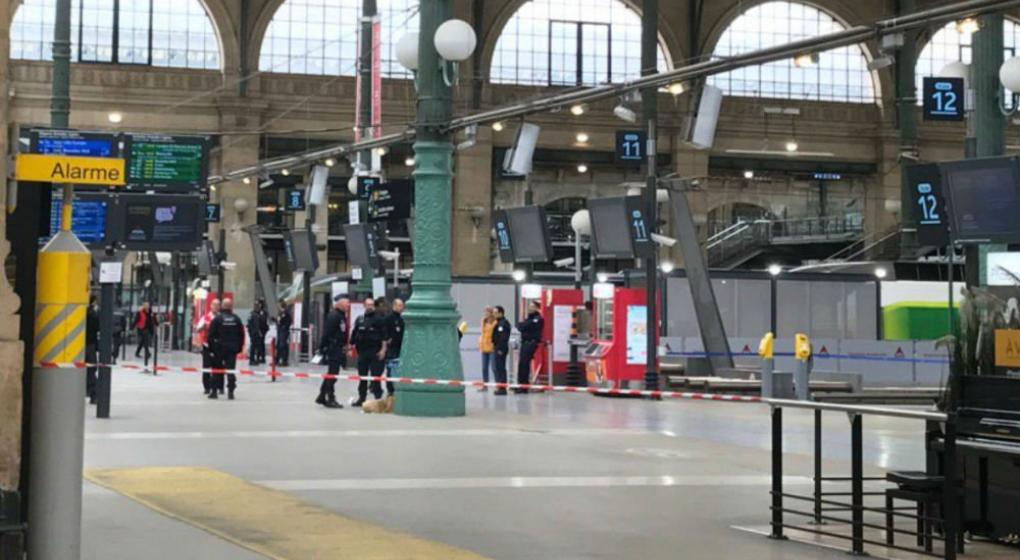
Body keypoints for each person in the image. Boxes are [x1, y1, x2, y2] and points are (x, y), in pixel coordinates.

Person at [350, 297, 388, 407]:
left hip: (375, 352)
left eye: (372, 304)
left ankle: (378, 399)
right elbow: (354, 334)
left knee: (376, 377)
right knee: (362, 377)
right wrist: (349, 346)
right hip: (362, 352)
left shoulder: (380, 319)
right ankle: (361, 398)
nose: (370, 306)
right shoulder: (360, 319)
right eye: (368, 304)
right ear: (364, 305)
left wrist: (383, 350)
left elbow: (384, 337)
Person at [207, 298, 245, 400]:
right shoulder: (236, 319)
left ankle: (214, 391)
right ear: (231, 307)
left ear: (222, 306)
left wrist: (211, 349)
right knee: (231, 370)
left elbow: (210, 335)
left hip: (219, 349)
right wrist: (239, 348)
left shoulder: (217, 319)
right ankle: (231, 392)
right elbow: (241, 334)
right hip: (232, 349)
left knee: (216, 370)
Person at [316, 295, 349, 408]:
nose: (348, 305)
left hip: (339, 348)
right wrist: (322, 347)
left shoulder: (342, 316)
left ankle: (322, 395)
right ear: (339, 304)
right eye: (346, 303)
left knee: (332, 373)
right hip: (333, 348)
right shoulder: (333, 316)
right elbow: (327, 333)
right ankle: (330, 397)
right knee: (333, 374)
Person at [516, 300, 544, 394]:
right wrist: (525, 325)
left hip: (531, 343)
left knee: (524, 362)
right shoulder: (529, 318)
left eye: (532, 306)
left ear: (537, 308)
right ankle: (521, 384)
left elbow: (527, 326)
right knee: (522, 364)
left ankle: (524, 386)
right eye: (529, 306)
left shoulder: (538, 318)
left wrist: (525, 325)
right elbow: (520, 327)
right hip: (524, 343)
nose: (530, 308)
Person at [197, 299, 220, 395]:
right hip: (207, 345)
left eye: (218, 305)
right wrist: (204, 326)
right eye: (214, 304)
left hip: (218, 346)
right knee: (206, 366)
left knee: (218, 367)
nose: (216, 307)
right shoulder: (206, 317)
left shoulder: (220, 317)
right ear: (211, 306)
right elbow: (198, 328)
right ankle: (206, 387)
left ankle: (217, 386)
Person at [384, 298, 405, 396]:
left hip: (401, 349)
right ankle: (390, 390)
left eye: (402, 305)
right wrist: (388, 339)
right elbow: (384, 333)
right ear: (394, 306)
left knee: (399, 370)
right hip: (392, 349)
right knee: (391, 370)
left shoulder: (402, 319)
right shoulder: (388, 319)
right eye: (400, 305)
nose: (402, 307)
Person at [491, 306, 512, 396]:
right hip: (496, 348)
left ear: (501, 313)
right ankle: (500, 386)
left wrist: (500, 349)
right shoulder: (498, 323)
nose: (494, 314)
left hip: (500, 349)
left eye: (495, 312)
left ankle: (502, 388)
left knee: (500, 368)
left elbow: (504, 338)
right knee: (497, 368)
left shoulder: (504, 324)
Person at [85, 295, 99, 404]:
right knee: (91, 370)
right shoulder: (92, 314)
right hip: (90, 345)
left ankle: (90, 392)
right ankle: (93, 394)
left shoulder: (80, 312)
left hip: (82, 345)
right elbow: (97, 327)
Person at [478, 307, 496, 392]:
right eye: (484, 312)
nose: (485, 314)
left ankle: (497, 384)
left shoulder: (495, 322)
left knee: (494, 367)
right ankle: (485, 385)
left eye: (487, 312)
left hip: (492, 347)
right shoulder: (483, 321)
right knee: (484, 367)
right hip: (484, 346)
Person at [247, 299, 269, 365]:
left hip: (259, 332)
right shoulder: (254, 314)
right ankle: (253, 359)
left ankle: (259, 357)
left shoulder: (261, 313)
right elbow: (254, 325)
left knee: (258, 345)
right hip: (256, 333)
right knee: (254, 346)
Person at [134, 302, 156, 367]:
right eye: (145, 305)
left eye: (148, 305)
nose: (147, 307)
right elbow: (136, 320)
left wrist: (156, 324)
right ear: (143, 306)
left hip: (149, 329)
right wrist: (132, 326)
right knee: (145, 341)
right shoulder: (140, 312)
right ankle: (147, 353)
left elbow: (153, 319)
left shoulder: (151, 312)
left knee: (142, 341)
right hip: (142, 328)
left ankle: (137, 352)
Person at [276, 300, 292, 367]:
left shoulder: (286, 313)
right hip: (280, 331)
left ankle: (284, 360)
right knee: (279, 345)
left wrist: (284, 326)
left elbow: (288, 321)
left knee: (283, 345)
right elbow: (279, 321)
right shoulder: (280, 313)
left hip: (284, 331)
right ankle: (278, 359)